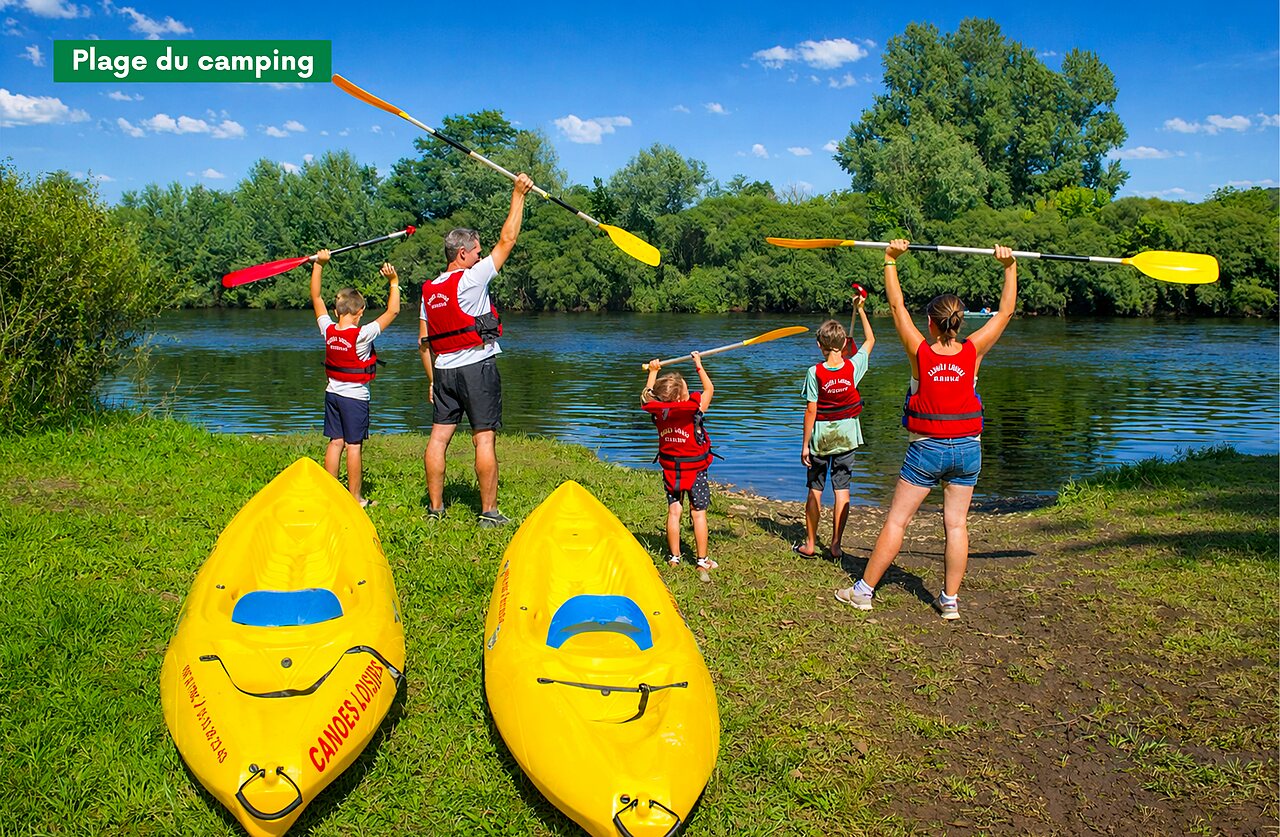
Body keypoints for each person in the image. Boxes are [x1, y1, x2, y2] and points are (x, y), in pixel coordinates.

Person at [836, 239, 1017, 620]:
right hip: (967, 449)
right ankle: (949, 601)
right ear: (960, 322)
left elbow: (897, 307)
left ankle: (863, 591)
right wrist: (1009, 267)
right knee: (955, 523)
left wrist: (890, 261)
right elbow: (1004, 312)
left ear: (931, 323)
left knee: (898, 521)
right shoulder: (974, 351)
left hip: (927, 450)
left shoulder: (920, 351)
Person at [419, 174, 534, 527]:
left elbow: (424, 342)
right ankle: (489, 513)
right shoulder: (472, 278)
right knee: (483, 439)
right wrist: (518, 195)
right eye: (477, 252)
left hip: (444, 372)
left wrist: (433, 380)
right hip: (476, 369)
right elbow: (508, 239)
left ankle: (435, 510)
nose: (481, 256)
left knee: (438, 439)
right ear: (462, 253)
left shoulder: (428, 289)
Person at [309, 250, 401, 508]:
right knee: (354, 445)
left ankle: (330, 493)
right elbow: (393, 311)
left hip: (332, 394)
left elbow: (315, 296)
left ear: (337, 309)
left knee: (335, 441)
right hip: (354, 398)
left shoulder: (327, 329)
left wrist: (319, 265)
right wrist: (393, 282)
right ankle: (355, 498)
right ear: (359, 311)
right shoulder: (362, 335)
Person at [797, 288, 876, 560]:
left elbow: (811, 410)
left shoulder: (814, 372)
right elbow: (870, 340)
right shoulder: (853, 367)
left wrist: (805, 445)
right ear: (843, 345)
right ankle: (836, 545)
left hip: (821, 439)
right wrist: (861, 308)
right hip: (847, 437)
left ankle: (809, 543)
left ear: (819, 345)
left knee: (815, 488)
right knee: (842, 490)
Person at [642, 353, 718, 582]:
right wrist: (699, 366)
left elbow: (645, 397)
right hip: (695, 472)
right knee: (698, 513)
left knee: (675, 512)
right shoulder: (694, 411)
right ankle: (702, 561)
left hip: (672, 472)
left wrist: (653, 372)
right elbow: (709, 390)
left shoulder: (659, 413)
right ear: (683, 396)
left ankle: (674, 557)